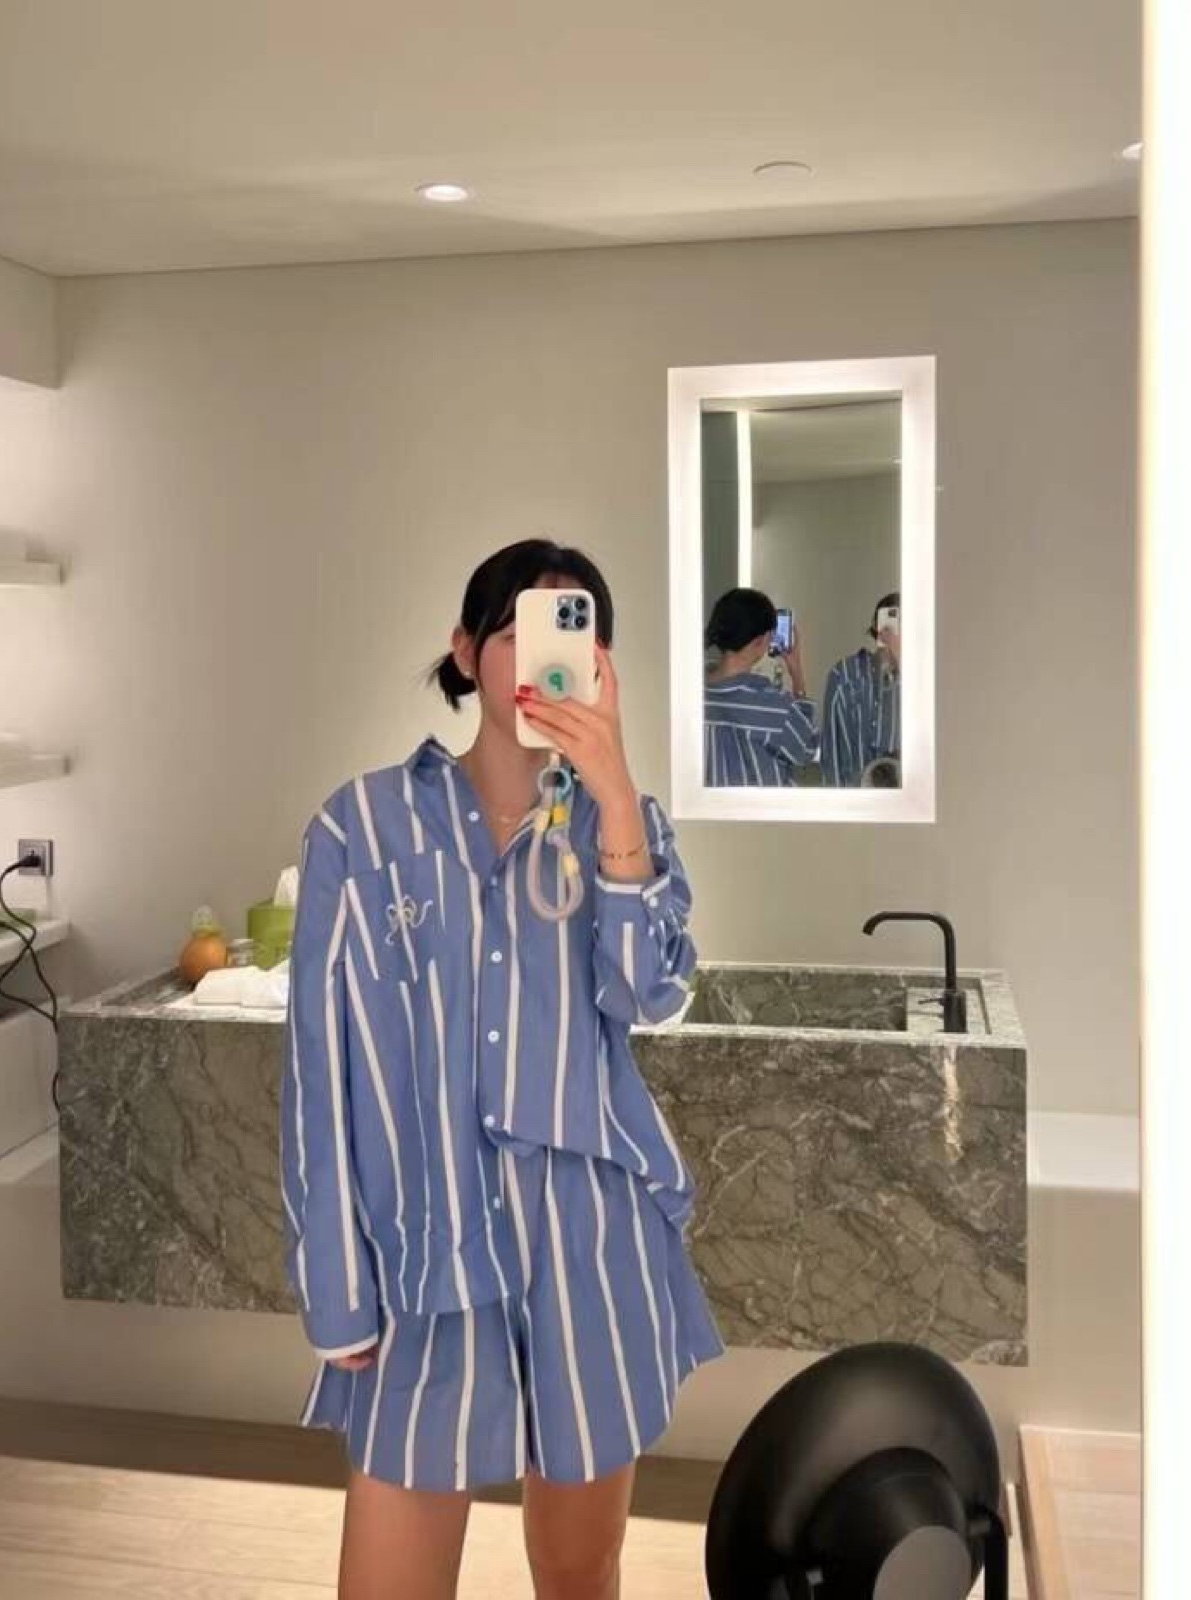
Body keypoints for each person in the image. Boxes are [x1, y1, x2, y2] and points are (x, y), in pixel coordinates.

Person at [279, 537, 725, 1600]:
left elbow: (650, 993)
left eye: (574, 630)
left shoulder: (621, 828)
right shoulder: (361, 828)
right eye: (520, 627)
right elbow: (320, 1068)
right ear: (466, 648)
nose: (543, 655)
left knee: (579, 1575)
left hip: (588, 1254)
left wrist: (617, 796)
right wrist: (336, 1285)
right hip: (421, 1260)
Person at [703, 587, 819, 785]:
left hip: (703, 805)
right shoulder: (773, 706)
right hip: (759, 805)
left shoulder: (690, 696)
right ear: (761, 640)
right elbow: (806, 748)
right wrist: (797, 674)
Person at [821, 591, 902, 787]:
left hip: (907, 798)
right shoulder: (845, 676)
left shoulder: (922, 681)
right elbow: (832, 750)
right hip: (855, 795)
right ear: (878, 625)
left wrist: (901, 660)